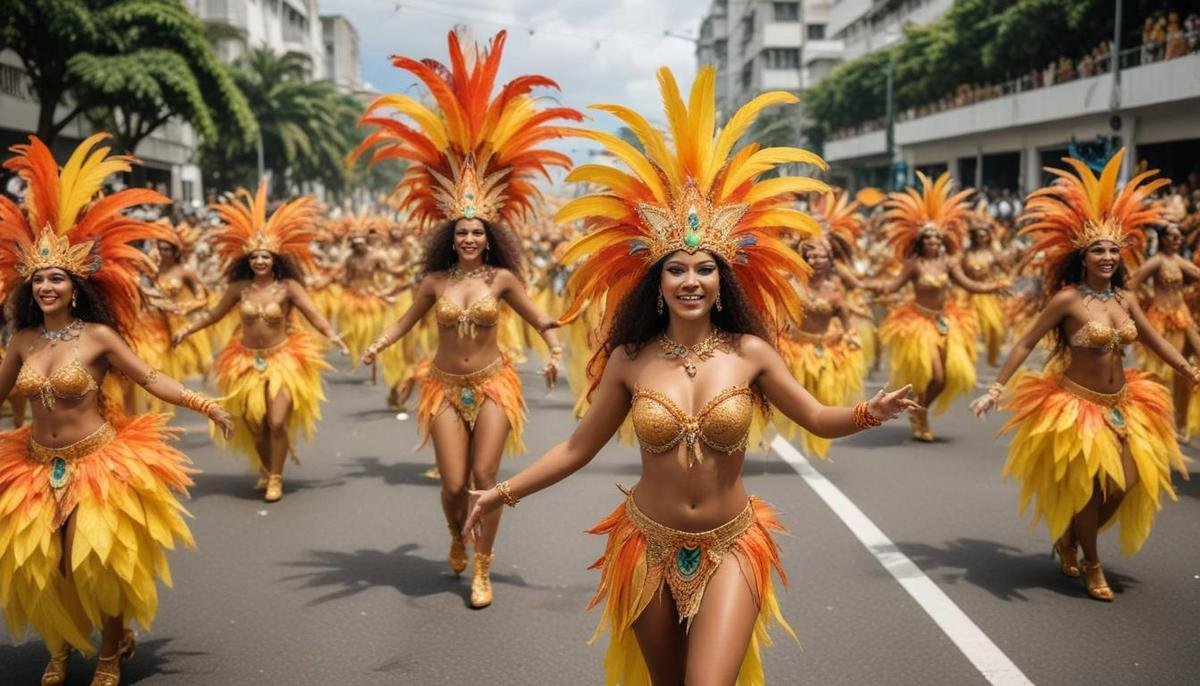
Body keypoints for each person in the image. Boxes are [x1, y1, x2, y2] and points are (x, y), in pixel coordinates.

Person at [463, 66, 918, 684]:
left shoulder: (751, 352)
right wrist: (502, 492)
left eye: (704, 269)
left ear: (720, 281)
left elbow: (815, 417)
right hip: (645, 545)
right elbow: (576, 448)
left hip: (733, 543)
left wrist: (870, 411)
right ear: (658, 285)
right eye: (676, 269)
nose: (690, 280)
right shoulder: (630, 360)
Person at [352, 28, 575, 608]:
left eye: (478, 231)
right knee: (453, 485)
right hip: (445, 387)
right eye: (462, 232)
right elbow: (406, 322)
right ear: (451, 238)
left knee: (486, 479)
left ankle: (483, 566)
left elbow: (537, 318)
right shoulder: (433, 281)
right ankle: (456, 531)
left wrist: (554, 349)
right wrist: (379, 345)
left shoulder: (502, 279)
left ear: (489, 236)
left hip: (495, 383)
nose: (471, 238)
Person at [0, 133, 233, 686]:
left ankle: (109, 650)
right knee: (49, 565)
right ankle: (59, 648)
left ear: (75, 287)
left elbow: (151, 378)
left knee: (95, 560)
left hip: (97, 461)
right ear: (28, 290)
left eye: (57, 277)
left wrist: (204, 403)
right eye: (39, 280)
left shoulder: (100, 337)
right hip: (34, 463)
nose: (47, 286)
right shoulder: (22, 342)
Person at [972, 149, 1192, 602]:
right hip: (1077, 405)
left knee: (1124, 486)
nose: (1108, 256)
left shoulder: (1127, 298)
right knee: (1090, 489)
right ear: (1083, 255)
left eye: (1113, 249)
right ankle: (1092, 562)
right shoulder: (1068, 300)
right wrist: (996, 388)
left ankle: (1070, 537)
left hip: (1125, 403)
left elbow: (1153, 340)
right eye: (1098, 249)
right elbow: (1025, 343)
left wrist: (1189, 369)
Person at [172, 182, 347, 502]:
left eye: (265, 256)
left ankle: (276, 477)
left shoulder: (288, 287)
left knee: (277, 421)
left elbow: (313, 314)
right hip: (244, 359)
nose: (260, 262)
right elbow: (213, 314)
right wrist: (187, 330)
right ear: (248, 261)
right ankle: (267, 469)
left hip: (284, 359)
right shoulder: (240, 288)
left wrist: (333, 336)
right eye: (255, 257)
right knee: (254, 424)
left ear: (275, 258)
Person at [870, 173, 1007, 441]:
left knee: (943, 381)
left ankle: (920, 411)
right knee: (935, 373)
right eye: (928, 238)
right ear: (921, 242)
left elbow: (970, 285)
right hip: (918, 322)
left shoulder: (949, 263)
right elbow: (894, 285)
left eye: (936, 238)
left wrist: (993, 287)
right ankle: (918, 413)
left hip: (946, 321)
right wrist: (872, 286)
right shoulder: (914, 264)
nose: (933, 242)